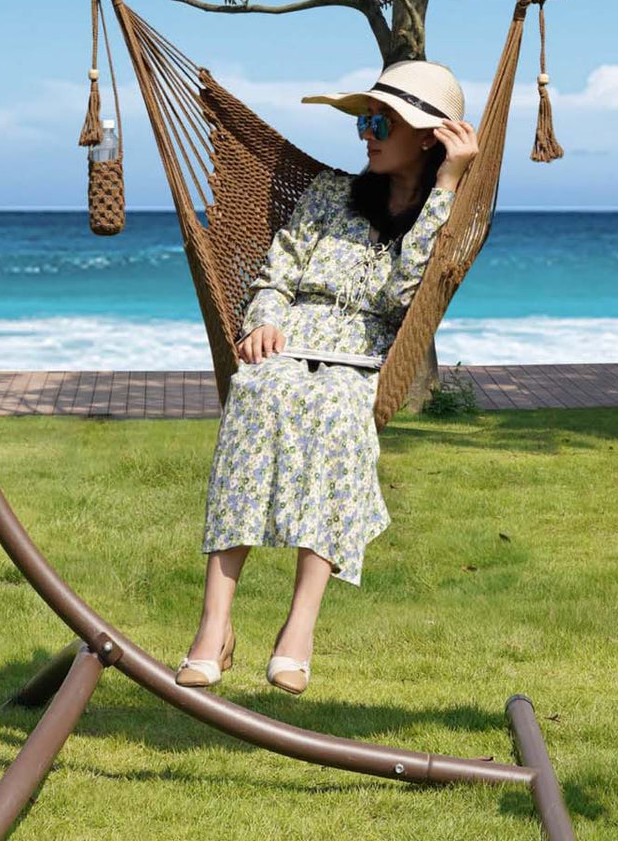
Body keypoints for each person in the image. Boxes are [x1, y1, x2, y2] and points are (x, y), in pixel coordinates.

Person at [175, 60, 478, 696]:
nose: (365, 133)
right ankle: (214, 626)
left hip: (363, 358)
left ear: (429, 137)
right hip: (288, 343)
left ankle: (298, 631)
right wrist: (263, 319)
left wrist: (447, 183)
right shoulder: (327, 193)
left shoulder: (442, 217)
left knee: (339, 419)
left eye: (381, 122)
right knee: (255, 396)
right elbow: (276, 272)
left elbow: (405, 297)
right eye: (364, 119)